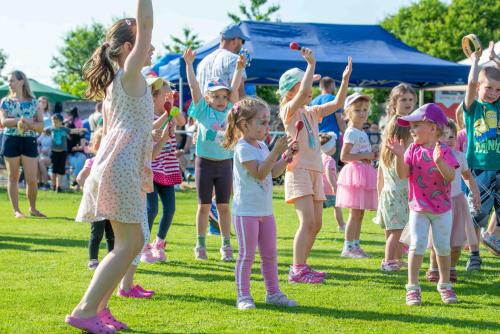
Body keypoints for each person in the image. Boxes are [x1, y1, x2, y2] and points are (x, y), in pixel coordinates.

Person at [66, 1, 155, 332]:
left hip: (120, 168)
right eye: (145, 43)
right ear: (130, 47)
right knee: (128, 245)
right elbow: (145, 24)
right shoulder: (129, 73)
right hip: (120, 168)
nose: (152, 48)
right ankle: (86, 310)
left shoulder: (123, 80)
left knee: (131, 244)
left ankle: (100, 310)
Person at [278, 48, 352, 283]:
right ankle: (297, 269)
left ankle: (303, 266)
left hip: (315, 171)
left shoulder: (311, 112)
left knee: (317, 224)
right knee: (307, 222)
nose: (309, 90)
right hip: (298, 171)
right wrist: (311, 65)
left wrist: (345, 79)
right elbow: (301, 95)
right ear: (291, 90)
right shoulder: (288, 110)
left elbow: (339, 102)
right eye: (303, 85)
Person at [222, 96, 298, 310]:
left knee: (269, 255)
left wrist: (286, 157)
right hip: (246, 211)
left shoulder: (262, 146)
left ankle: (273, 293)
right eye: (262, 122)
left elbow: (272, 172)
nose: (267, 126)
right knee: (246, 255)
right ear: (245, 124)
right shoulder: (243, 148)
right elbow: (258, 173)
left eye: (267, 122)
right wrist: (276, 152)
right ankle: (243, 296)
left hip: (265, 211)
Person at [387, 103, 459, 306]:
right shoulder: (412, 149)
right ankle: (412, 287)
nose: (411, 130)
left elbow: (451, 176)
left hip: (442, 210)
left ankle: (444, 285)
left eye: (416, 125)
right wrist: (400, 156)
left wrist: (439, 162)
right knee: (417, 244)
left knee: (442, 247)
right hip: (418, 207)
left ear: (433, 128)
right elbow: (403, 174)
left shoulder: (444, 150)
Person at [183, 47, 245, 261]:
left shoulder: (231, 111)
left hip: (225, 164)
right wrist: (189, 64)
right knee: (203, 206)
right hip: (205, 164)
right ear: (208, 98)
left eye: (224, 96)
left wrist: (238, 68)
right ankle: (200, 245)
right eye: (216, 96)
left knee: (224, 207)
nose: (221, 99)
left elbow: (236, 86)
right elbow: (192, 86)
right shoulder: (202, 110)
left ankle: (226, 245)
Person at [426, 119, 480, 283]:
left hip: (457, 203)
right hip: (438, 204)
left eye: (452, 136)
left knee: (456, 243)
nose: (448, 140)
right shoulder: (430, 157)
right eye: (443, 136)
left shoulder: (460, 157)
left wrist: (475, 192)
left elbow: (468, 177)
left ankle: (451, 268)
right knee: (438, 240)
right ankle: (434, 268)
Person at [460, 50, 500, 271]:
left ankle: (493, 238)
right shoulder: (473, 108)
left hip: (499, 168)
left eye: (497, 89)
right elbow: (472, 81)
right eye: (488, 88)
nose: (493, 93)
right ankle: (474, 255)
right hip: (479, 169)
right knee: (476, 214)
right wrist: (476, 61)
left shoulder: (499, 106)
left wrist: (496, 61)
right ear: (478, 88)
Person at [143, 76, 186, 263]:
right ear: (153, 97)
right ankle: (143, 246)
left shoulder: (170, 111)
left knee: (170, 208)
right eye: (165, 94)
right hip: (151, 168)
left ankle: (158, 243)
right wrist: (167, 114)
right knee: (151, 209)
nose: (169, 97)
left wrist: (172, 109)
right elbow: (153, 127)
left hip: (167, 167)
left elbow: (182, 121)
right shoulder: (147, 116)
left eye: (171, 94)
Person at [336, 93, 378, 258]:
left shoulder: (360, 132)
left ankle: (355, 244)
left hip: (363, 172)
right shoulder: (352, 132)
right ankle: (348, 247)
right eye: (357, 110)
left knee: (359, 213)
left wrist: (369, 155)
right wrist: (366, 155)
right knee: (354, 213)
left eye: (365, 110)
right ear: (348, 113)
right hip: (355, 174)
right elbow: (344, 157)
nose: (362, 113)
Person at [0, 70, 45, 218]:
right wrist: (21, 121)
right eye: (9, 81)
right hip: (10, 140)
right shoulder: (5, 102)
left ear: (21, 81)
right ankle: (17, 211)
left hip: (29, 140)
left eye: (12, 80)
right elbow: (3, 122)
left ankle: (33, 208)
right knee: (13, 177)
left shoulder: (34, 102)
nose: (9, 83)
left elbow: (41, 126)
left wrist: (29, 124)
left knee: (31, 180)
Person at [375, 115, 411, 270]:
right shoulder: (401, 154)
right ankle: (388, 261)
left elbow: (379, 180)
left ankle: (395, 259)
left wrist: (379, 199)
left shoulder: (385, 152)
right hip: (399, 196)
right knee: (397, 233)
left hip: (387, 195)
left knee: (392, 231)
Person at [76, 128, 115, 270]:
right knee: (97, 234)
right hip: (97, 205)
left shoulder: (113, 162)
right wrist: (87, 190)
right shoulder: (92, 162)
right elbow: (80, 177)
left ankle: (112, 258)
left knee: (112, 234)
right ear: (96, 146)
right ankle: (93, 259)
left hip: (110, 203)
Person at [196, 23, 248, 99]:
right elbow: (240, 96)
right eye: (242, 41)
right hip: (227, 110)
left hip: (203, 110)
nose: (242, 45)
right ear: (235, 40)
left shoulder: (202, 63)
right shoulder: (236, 60)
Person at [311, 76, 346, 162]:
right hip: (331, 138)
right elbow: (340, 119)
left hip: (317, 138)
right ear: (331, 85)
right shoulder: (334, 100)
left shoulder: (313, 102)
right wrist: (346, 134)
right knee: (332, 166)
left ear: (321, 86)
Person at [49, 113, 85, 192]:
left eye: (56, 122)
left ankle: (58, 187)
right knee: (53, 170)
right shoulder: (51, 129)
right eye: (53, 122)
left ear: (61, 122)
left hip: (62, 152)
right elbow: (44, 130)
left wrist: (81, 129)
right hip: (54, 152)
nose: (54, 123)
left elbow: (72, 131)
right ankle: (53, 185)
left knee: (61, 170)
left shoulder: (64, 129)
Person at [319, 132, 345, 232]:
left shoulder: (320, 157)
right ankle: (341, 225)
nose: (335, 148)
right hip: (329, 190)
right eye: (334, 146)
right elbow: (329, 173)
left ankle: (315, 224)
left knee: (318, 209)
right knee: (337, 207)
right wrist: (334, 186)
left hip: (320, 189)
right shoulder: (330, 160)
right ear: (329, 148)